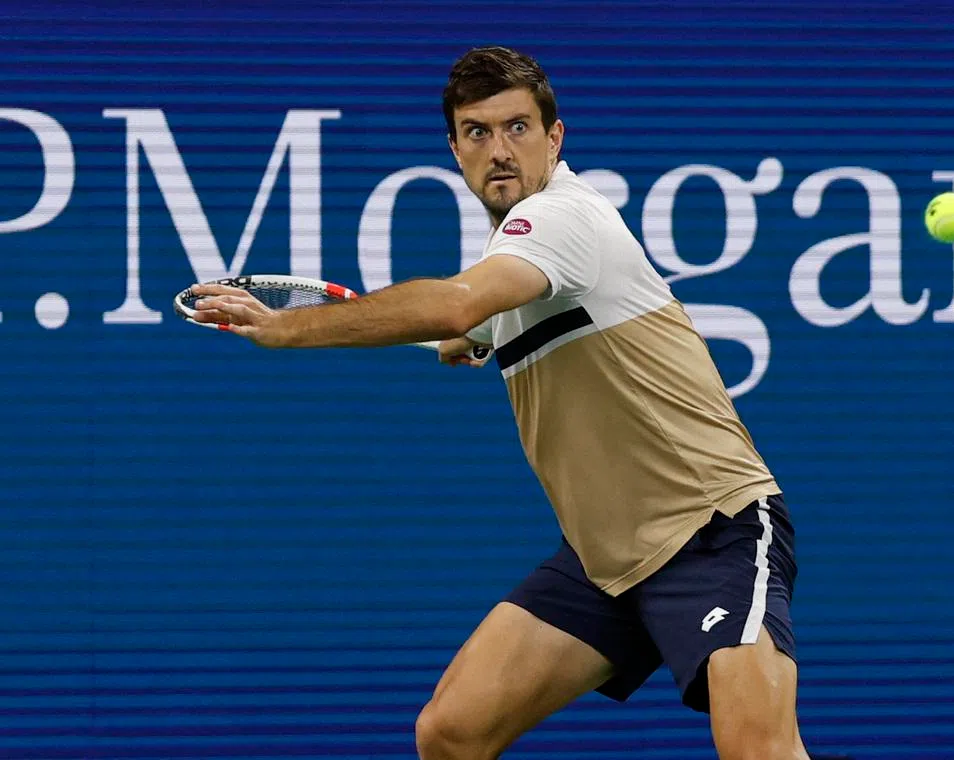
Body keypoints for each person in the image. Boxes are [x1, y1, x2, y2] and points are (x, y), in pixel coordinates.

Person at [190, 46, 810, 760]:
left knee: (759, 751)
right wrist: (475, 337)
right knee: (451, 733)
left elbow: (459, 304)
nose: (500, 150)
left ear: (555, 137)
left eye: (518, 127)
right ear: (454, 150)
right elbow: (477, 321)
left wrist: (287, 327)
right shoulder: (514, 255)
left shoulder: (562, 218)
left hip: (710, 527)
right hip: (604, 557)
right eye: (477, 132)